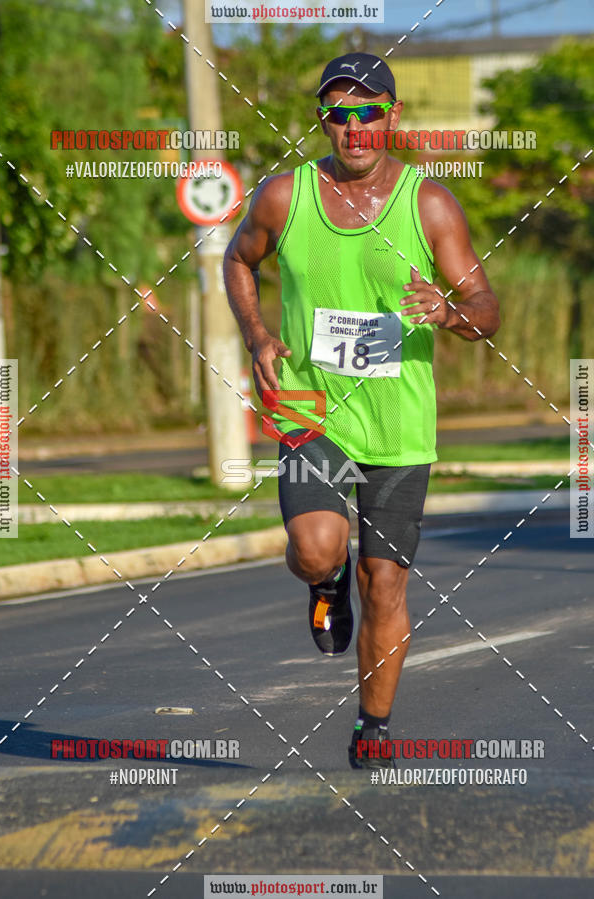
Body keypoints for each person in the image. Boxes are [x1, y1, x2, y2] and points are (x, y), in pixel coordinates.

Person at [223, 52, 500, 769]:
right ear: (324, 120)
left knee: (388, 584)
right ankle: (324, 581)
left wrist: (449, 310)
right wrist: (257, 334)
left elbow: (486, 306)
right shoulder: (286, 196)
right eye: (339, 114)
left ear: (391, 117)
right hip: (311, 404)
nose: (354, 128)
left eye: (367, 111)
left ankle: (373, 726)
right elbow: (238, 258)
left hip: (400, 421)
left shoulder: (429, 204)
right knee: (318, 545)